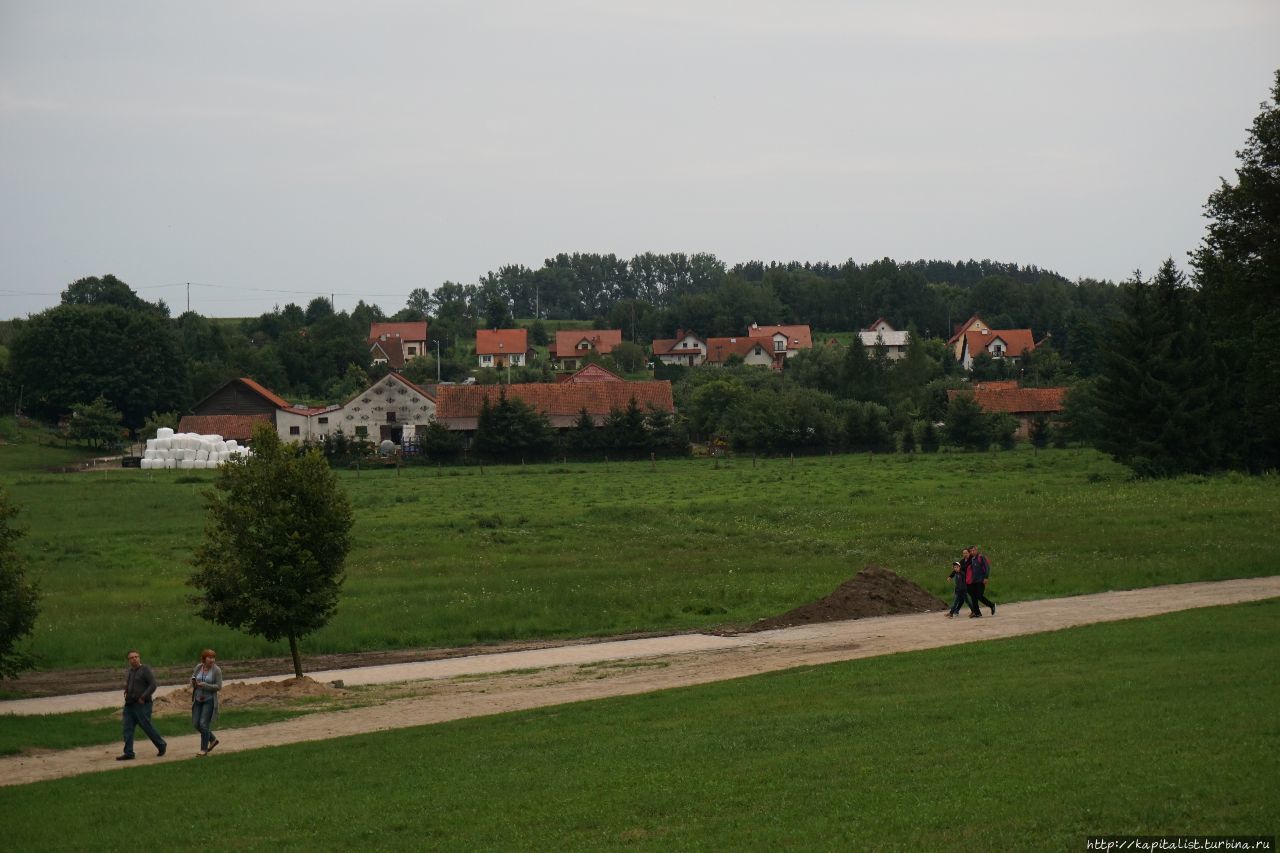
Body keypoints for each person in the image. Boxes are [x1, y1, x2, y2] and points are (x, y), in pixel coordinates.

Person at [118, 649, 167, 760]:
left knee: (146, 727)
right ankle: (129, 753)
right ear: (128, 660)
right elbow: (131, 683)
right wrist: (127, 689)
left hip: (142, 704)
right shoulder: (130, 671)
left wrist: (143, 696)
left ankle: (161, 745)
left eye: (136, 657)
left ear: (139, 658)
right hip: (129, 704)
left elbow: (153, 685)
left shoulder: (145, 670)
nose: (134, 659)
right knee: (127, 728)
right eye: (131, 657)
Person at [191, 648, 223, 755]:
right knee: (196, 724)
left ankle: (203, 749)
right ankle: (213, 740)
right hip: (198, 699)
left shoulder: (216, 670)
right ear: (204, 658)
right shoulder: (198, 667)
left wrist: (206, 685)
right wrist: (193, 682)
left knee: (203, 724)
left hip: (209, 700)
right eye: (210, 657)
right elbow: (193, 677)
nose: (212, 660)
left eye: (213, 657)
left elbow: (219, 687)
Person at [967, 545, 995, 617]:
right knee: (973, 597)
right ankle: (977, 613)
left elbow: (987, 567)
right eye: (971, 551)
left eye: (974, 550)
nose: (972, 552)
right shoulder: (971, 559)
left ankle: (992, 605)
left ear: (976, 550)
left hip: (981, 580)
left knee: (979, 596)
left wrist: (986, 577)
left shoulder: (981, 557)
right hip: (974, 581)